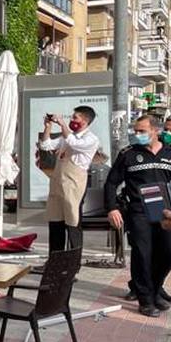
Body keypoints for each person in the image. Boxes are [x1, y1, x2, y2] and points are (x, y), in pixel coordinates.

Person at [105, 114, 171, 317]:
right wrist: (112, 208)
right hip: (139, 211)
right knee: (142, 254)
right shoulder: (129, 154)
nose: (138, 134)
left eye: (142, 131)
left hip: (167, 212)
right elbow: (111, 182)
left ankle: (156, 288)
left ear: (155, 131)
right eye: (136, 131)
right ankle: (146, 300)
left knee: (170, 252)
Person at [40, 106, 100, 252]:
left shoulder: (90, 139)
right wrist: (47, 127)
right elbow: (45, 145)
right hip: (58, 182)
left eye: (75, 118)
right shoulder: (66, 136)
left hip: (74, 184)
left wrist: (62, 124)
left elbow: (74, 143)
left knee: (73, 222)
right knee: (55, 221)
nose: (72, 120)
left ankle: (73, 262)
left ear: (85, 121)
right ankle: (55, 260)